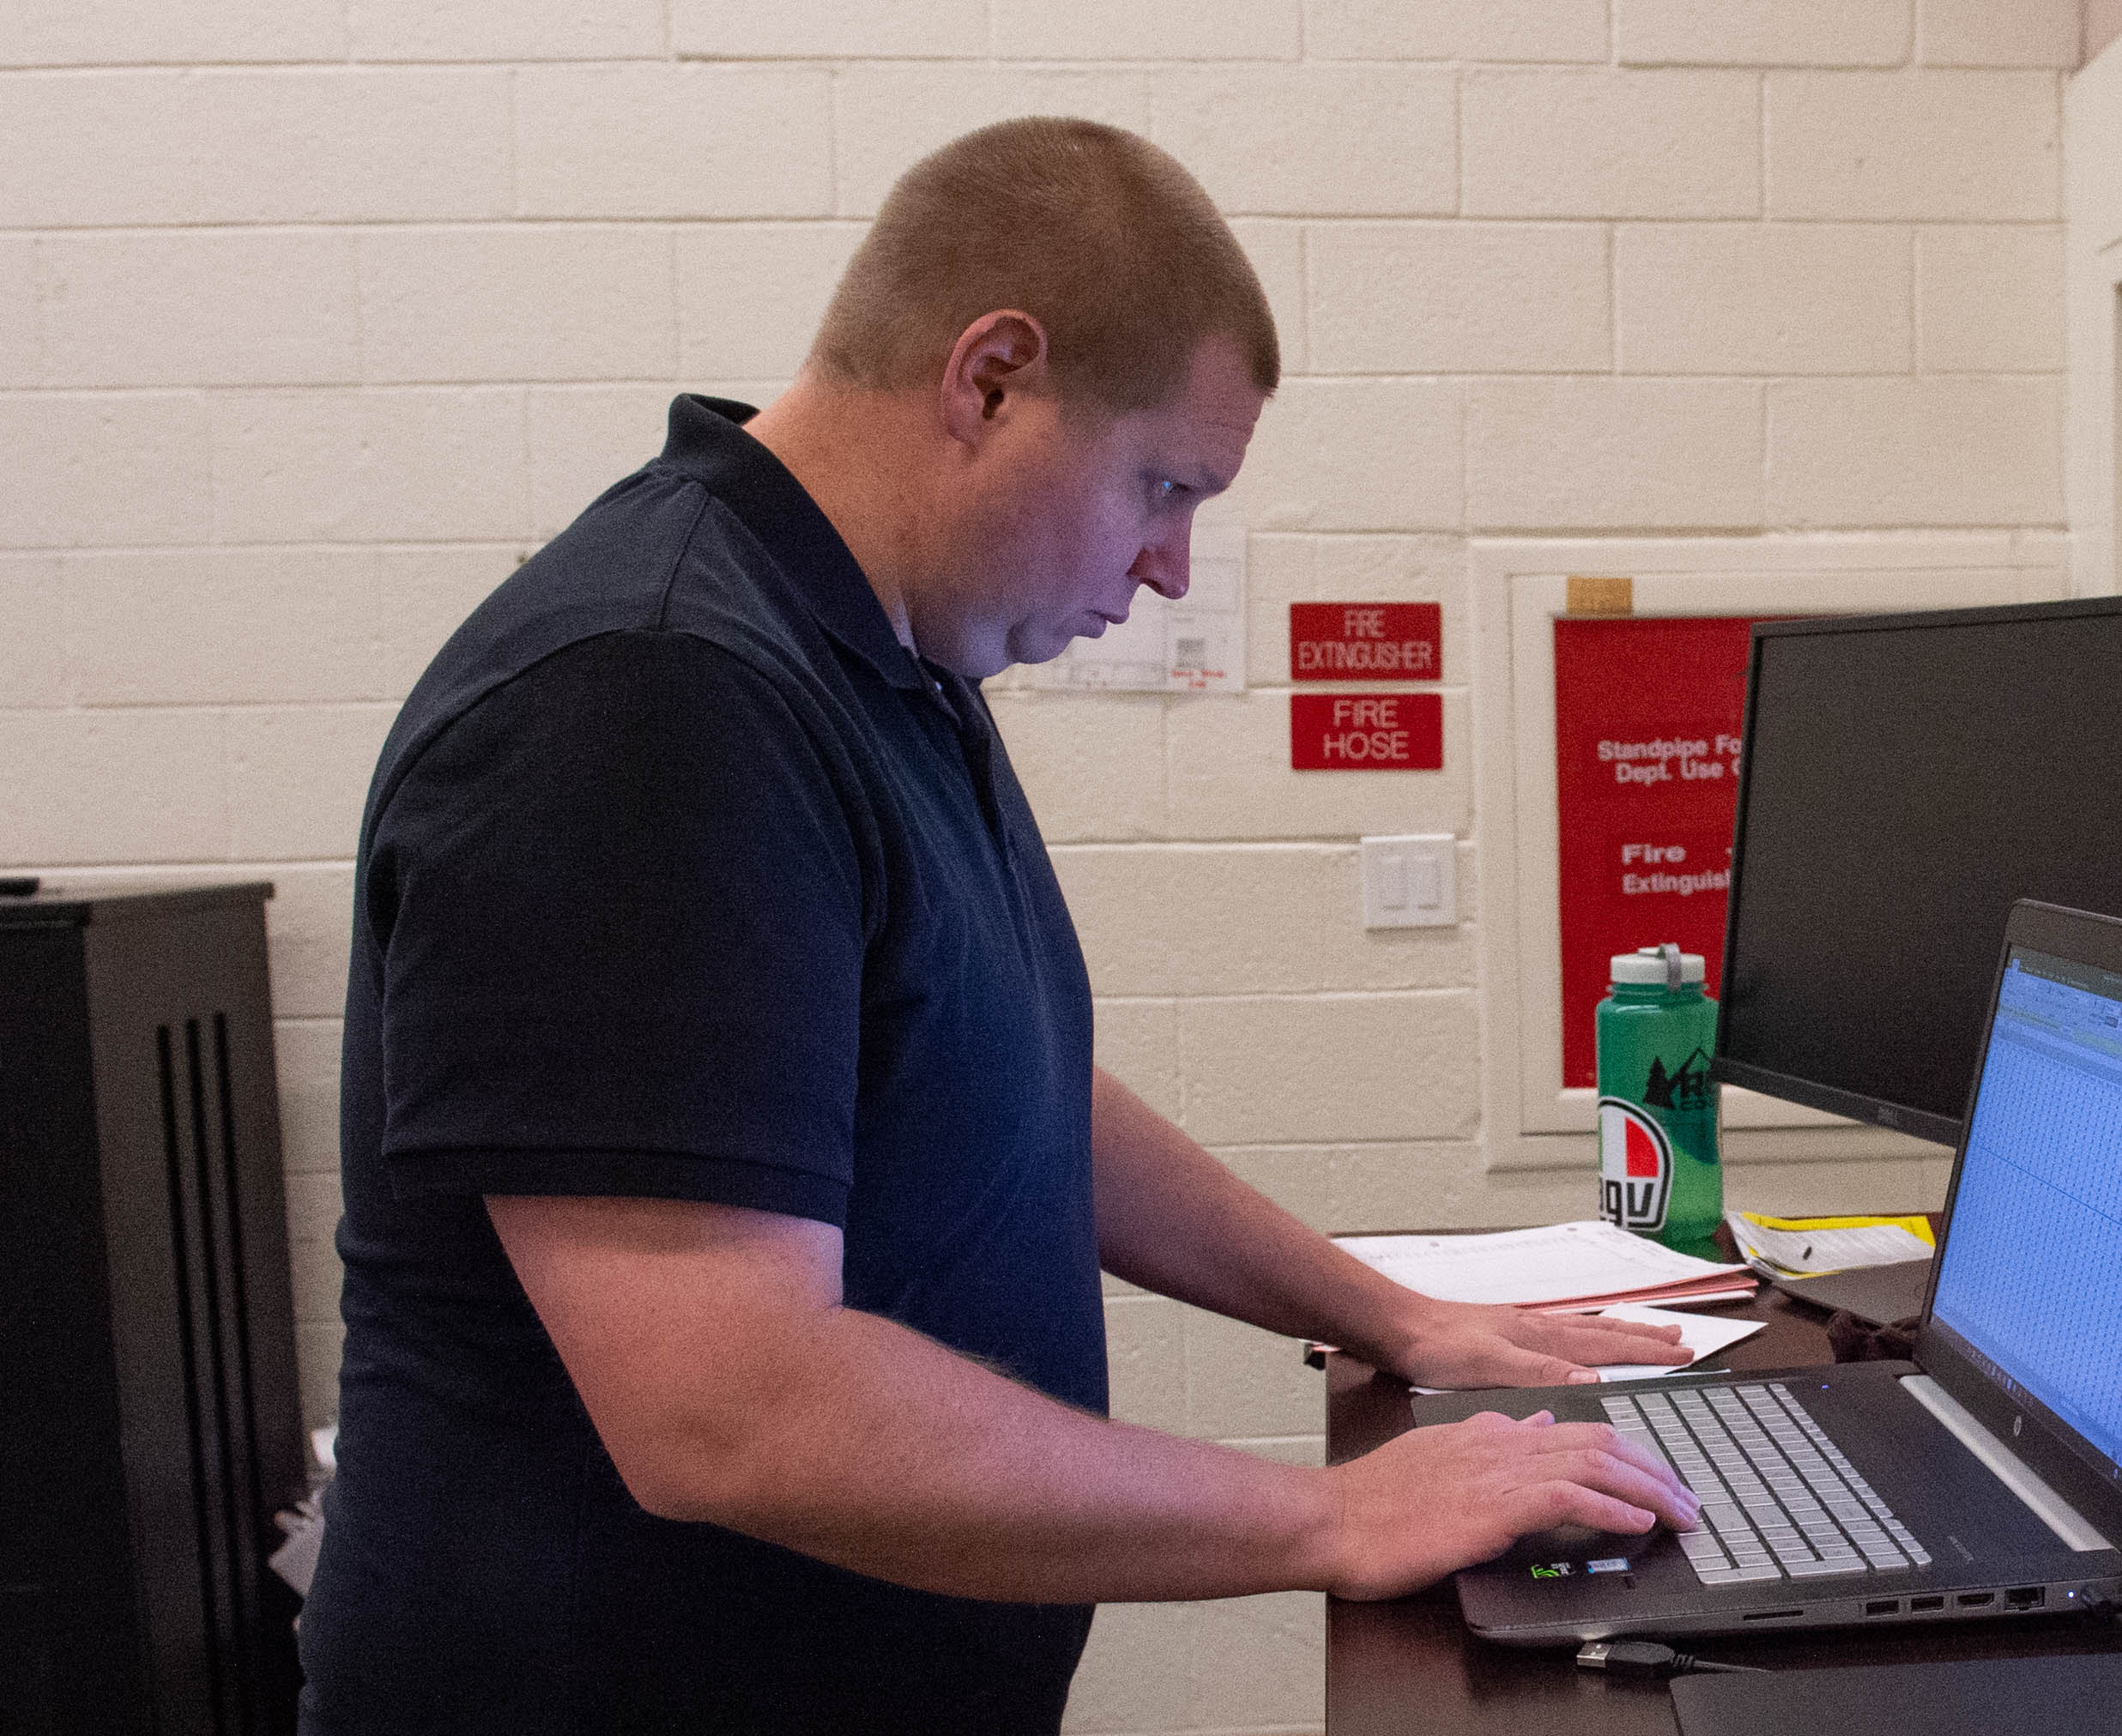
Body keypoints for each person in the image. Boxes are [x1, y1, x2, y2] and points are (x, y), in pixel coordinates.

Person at [297, 117, 1700, 1734]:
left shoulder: (884, 663)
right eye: (1163, 486)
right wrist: (1332, 1518)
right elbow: (728, 1410)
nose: (1173, 567)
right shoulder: (655, 694)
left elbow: (1013, 1086)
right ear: (990, 379)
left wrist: (1390, 1314)